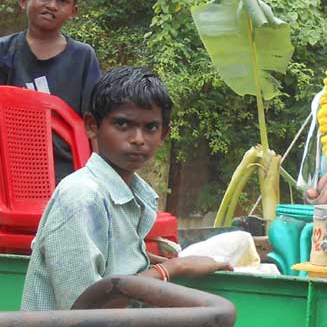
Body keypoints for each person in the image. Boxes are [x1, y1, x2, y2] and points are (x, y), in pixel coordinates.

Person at [20, 67, 231, 311]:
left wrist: (149, 260)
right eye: (122, 124)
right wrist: (171, 269)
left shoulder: (131, 195)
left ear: (163, 134)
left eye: (151, 128)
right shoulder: (81, 197)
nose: (138, 139)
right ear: (92, 126)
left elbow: (110, 262)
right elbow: (83, 309)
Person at [0, 0, 101, 182]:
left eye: (62, 1)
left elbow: (94, 122)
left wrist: (98, 179)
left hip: (67, 172)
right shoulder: (3, 52)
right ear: (24, 0)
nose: (52, 6)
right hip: (8, 172)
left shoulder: (83, 57)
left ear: (74, 11)